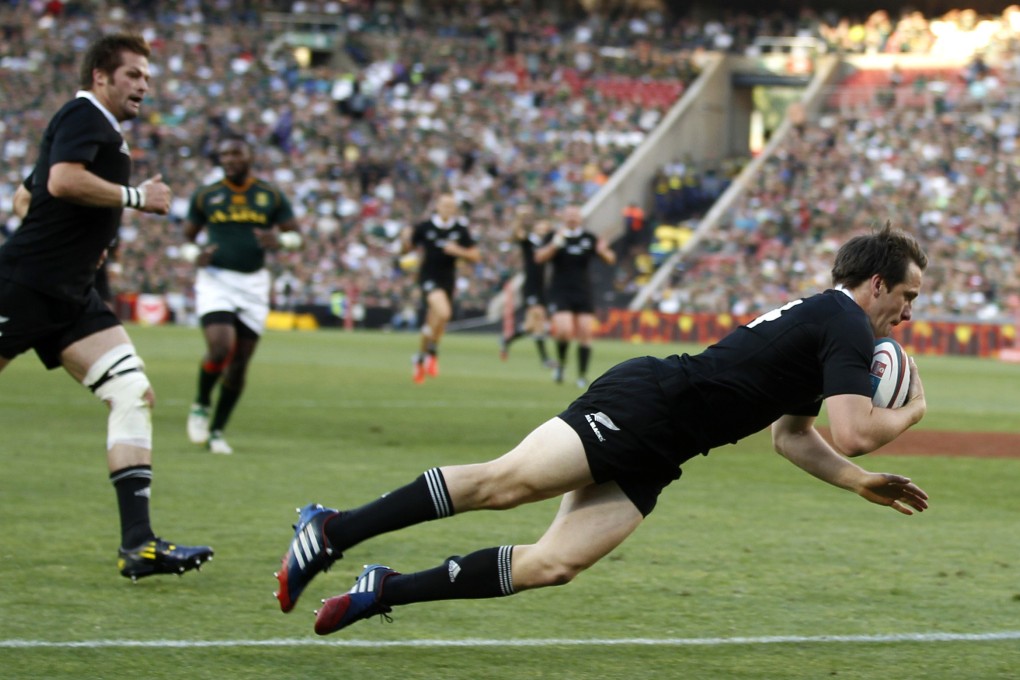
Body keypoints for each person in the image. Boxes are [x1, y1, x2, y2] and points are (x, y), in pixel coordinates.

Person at [274, 224, 930, 635]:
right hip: (649, 404)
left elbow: (792, 436)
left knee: (553, 564)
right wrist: (908, 412)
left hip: (666, 444)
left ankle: (383, 589)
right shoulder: (844, 322)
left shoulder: (831, 329)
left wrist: (859, 482)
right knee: (504, 484)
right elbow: (854, 430)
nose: (908, 312)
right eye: (908, 296)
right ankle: (333, 529)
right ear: (877, 284)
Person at [0, 33, 213, 581]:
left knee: (131, 392)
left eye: (146, 76)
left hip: (69, 295)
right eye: (133, 74)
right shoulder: (85, 114)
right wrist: (137, 198)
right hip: (24, 287)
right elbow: (61, 180)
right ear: (101, 76)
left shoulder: (95, 128)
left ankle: (139, 547)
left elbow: (29, 195)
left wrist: (69, 238)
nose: (144, 84)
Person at [181, 134, 301, 455]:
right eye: (225, 155)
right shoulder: (207, 195)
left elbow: (296, 235)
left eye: (236, 154)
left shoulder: (269, 195)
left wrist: (282, 241)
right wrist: (194, 254)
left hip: (254, 285)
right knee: (221, 348)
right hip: (216, 279)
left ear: (249, 157)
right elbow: (187, 239)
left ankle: (217, 430)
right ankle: (201, 403)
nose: (230, 160)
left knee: (240, 365)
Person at [400, 192, 480, 384]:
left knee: (433, 321)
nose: (447, 209)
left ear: (455, 209)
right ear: (437, 206)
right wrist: (405, 240)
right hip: (428, 277)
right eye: (444, 205)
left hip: (448, 280)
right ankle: (433, 352)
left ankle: (420, 357)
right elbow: (406, 251)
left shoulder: (460, 230)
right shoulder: (425, 227)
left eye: (451, 206)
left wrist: (458, 251)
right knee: (443, 313)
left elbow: (475, 256)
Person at [534, 204, 617, 387]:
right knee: (564, 331)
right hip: (559, 291)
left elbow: (610, 259)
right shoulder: (554, 236)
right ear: (563, 218)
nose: (572, 219)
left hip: (583, 291)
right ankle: (561, 365)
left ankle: (581, 375)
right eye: (569, 216)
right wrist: (555, 245)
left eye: (575, 216)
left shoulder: (589, 238)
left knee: (586, 332)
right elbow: (539, 258)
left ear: (580, 218)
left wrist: (603, 251)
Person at [500, 205, 554, 368]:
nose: (543, 229)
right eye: (540, 226)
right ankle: (545, 359)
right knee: (538, 317)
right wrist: (518, 217)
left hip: (543, 287)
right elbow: (515, 235)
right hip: (531, 286)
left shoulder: (549, 244)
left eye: (545, 227)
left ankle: (507, 340)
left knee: (531, 326)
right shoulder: (529, 241)